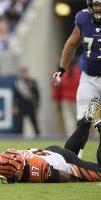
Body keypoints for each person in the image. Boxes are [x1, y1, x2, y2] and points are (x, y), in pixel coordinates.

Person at [0, 98, 101, 185]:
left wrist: (39, 178)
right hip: (51, 152)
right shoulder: (2, 161)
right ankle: (86, 122)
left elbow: (65, 176)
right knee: (71, 152)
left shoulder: (34, 169)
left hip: (60, 162)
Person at [53, 0, 101, 158]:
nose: (98, 8)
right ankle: (74, 162)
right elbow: (71, 44)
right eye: (95, 5)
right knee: (83, 122)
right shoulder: (83, 18)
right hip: (89, 79)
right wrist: (61, 69)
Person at [13, 67, 40, 136]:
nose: (24, 74)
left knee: (34, 122)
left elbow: (37, 95)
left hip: (30, 105)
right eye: (23, 73)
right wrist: (15, 105)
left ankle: (38, 136)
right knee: (20, 123)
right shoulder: (18, 83)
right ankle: (20, 137)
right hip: (21, 105)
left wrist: (37, 106)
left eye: (26, 72)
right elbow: (15, 95)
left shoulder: (32, 82)